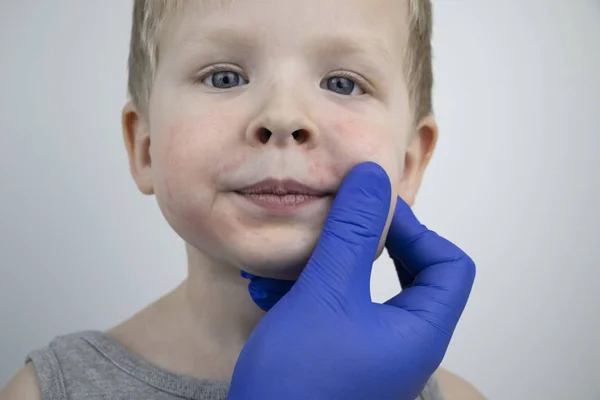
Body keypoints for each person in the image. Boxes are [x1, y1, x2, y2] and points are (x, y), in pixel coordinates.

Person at [0, 0, 484, 399]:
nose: (281, 116)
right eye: (224, 77)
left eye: (342, 83)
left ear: (409, 164)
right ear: (145, 147)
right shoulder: (49, 392)